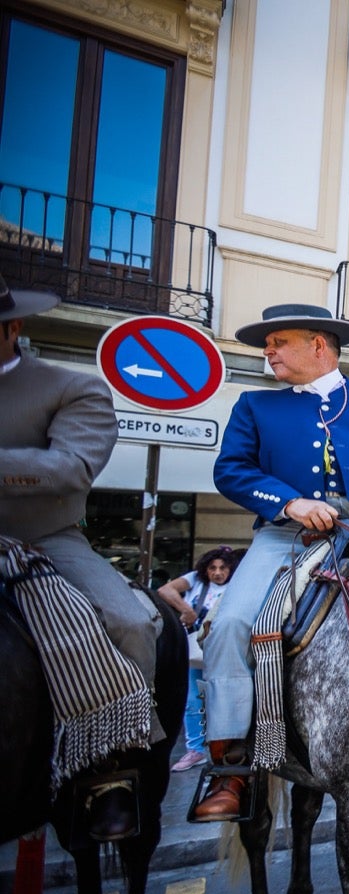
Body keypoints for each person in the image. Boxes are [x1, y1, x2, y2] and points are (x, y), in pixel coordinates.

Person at [198, 304, 349, 821]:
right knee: (229, 624)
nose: (268, 352)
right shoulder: (254, 406)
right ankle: (230, 769)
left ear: (318, 346)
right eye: (266, 345)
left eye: (278, 342)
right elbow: (231, 471)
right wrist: (289, 502)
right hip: (284, 537)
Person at [2, 275, 165, 837]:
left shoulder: (72, 388)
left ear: (12, 328)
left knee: (130, 621)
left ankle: (112, 772)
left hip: (42, 539)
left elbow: (70, 468)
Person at [158, 546, 238, 772]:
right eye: (213, 568)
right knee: (193, 701)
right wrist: (186, 609)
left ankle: (225, 747)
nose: (218, 572)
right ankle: (196, 749)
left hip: (225, 650)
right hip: (196, 651)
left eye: (223, 568)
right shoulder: (195, 580)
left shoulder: (239, 585)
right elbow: (166, 590)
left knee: (225, 699)